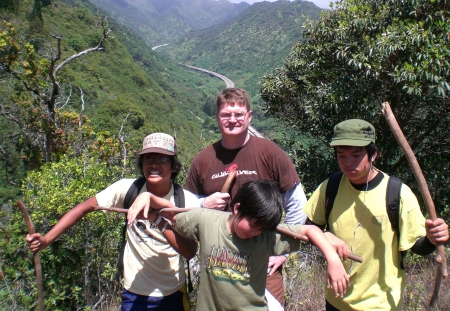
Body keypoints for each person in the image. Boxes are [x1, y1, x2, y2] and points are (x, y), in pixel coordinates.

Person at [26, 132, 201, 311]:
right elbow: (84, 208)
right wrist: (47, 239)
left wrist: (158, 219)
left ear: (174, 166)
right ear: (142, 164)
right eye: (148, 158)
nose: (154, 164)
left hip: (173, 293)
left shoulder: (185, 200)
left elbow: (190, 251)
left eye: (162, 159)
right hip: (134, 292)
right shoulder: (127, 189)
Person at [127, 180, 350, 311]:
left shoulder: (267, 236)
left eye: (261, 228)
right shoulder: (207, 221)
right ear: (237, 209)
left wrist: (332, 259)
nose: (255, 232)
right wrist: (147, 197)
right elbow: (170, 212)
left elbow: (310, 231)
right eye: (252, 225)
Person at [304, 119, 449, 311]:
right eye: (341, 156)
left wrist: (432, 238)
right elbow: (308, 228)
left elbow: (419, 247)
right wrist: (327, 238)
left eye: (356, 155)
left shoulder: (397, 192)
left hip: (381, 303)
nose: (348, 163)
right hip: (336, 301)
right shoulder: (330, 187)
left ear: (373, 154)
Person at [184, 88, 307, 310]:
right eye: (226, 114)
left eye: (239, 114)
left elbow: (297, 203)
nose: (233, 120)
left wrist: (284, 254)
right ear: (217, 118)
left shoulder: (270, 153)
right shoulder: (203, 160)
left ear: (249, 116)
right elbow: (185, 206)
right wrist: (204, 204)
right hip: (218, 264)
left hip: (263, 263)